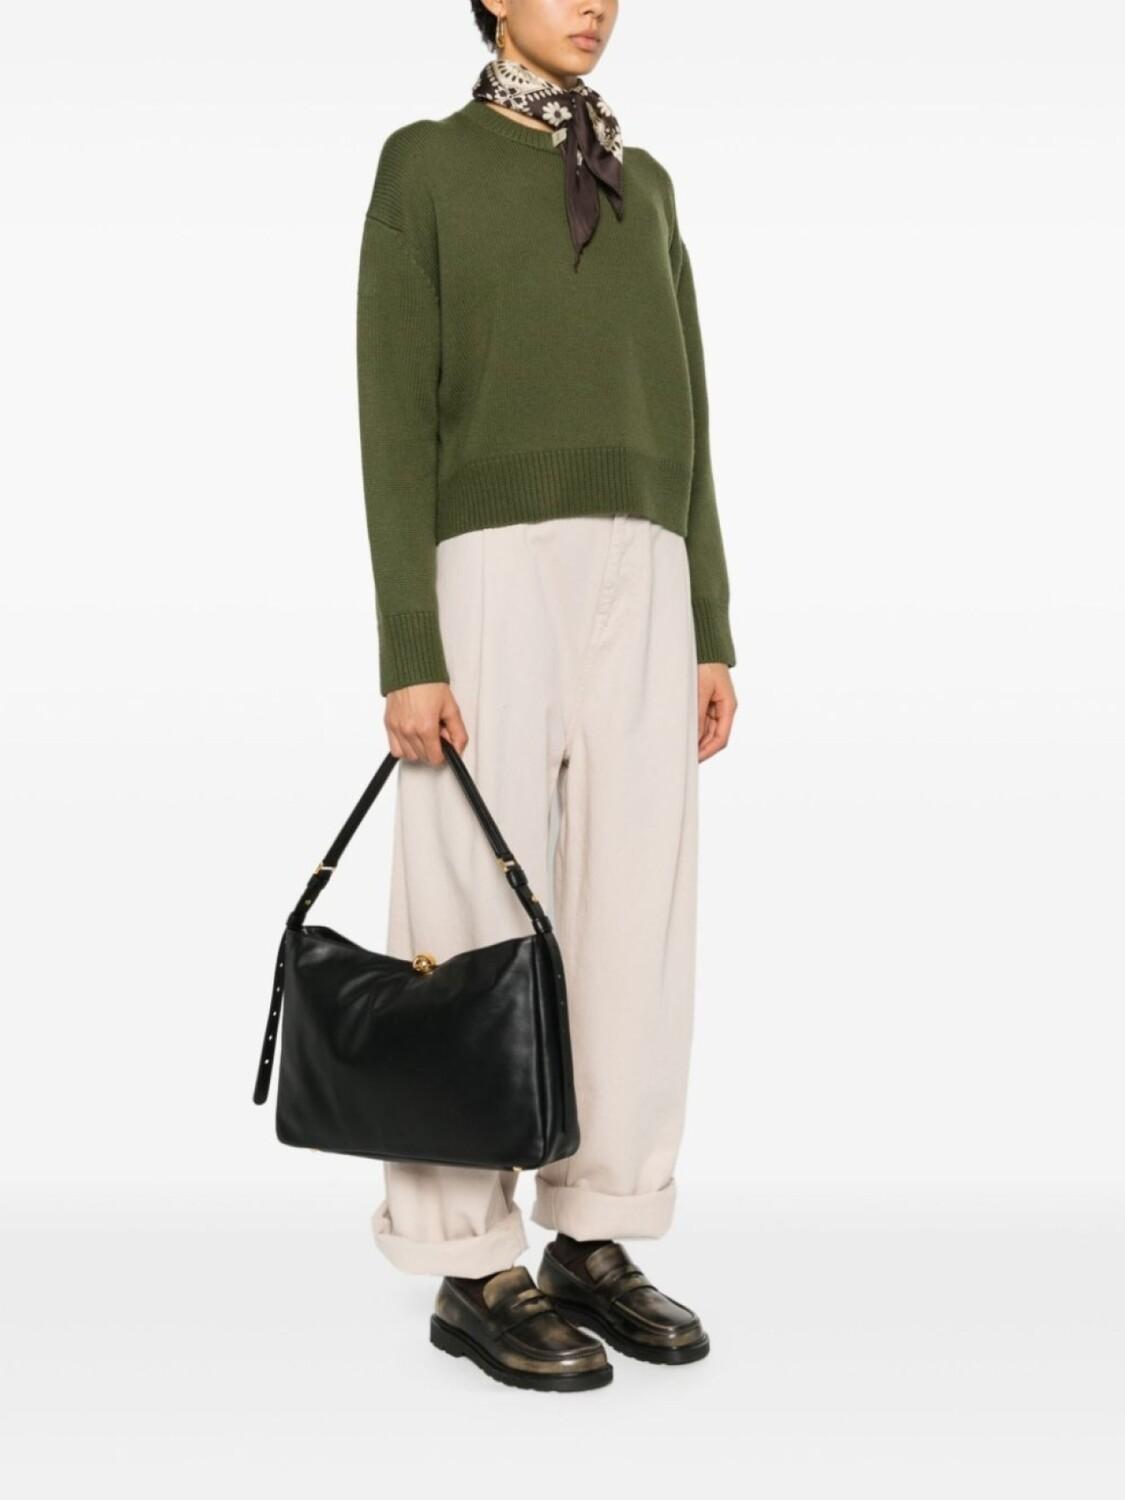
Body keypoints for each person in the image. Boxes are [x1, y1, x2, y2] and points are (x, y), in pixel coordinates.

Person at [355, 0, 738, 1392]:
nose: (594, 4)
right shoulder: (426, 165)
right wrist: (409, 644)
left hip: (645, 569)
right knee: (466, 908)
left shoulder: (648, 184)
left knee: (635, 907)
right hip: (488, 570)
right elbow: (391, 411)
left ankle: (596, 1225)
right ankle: (468, 1258)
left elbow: (689, 413)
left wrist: (709, 622)